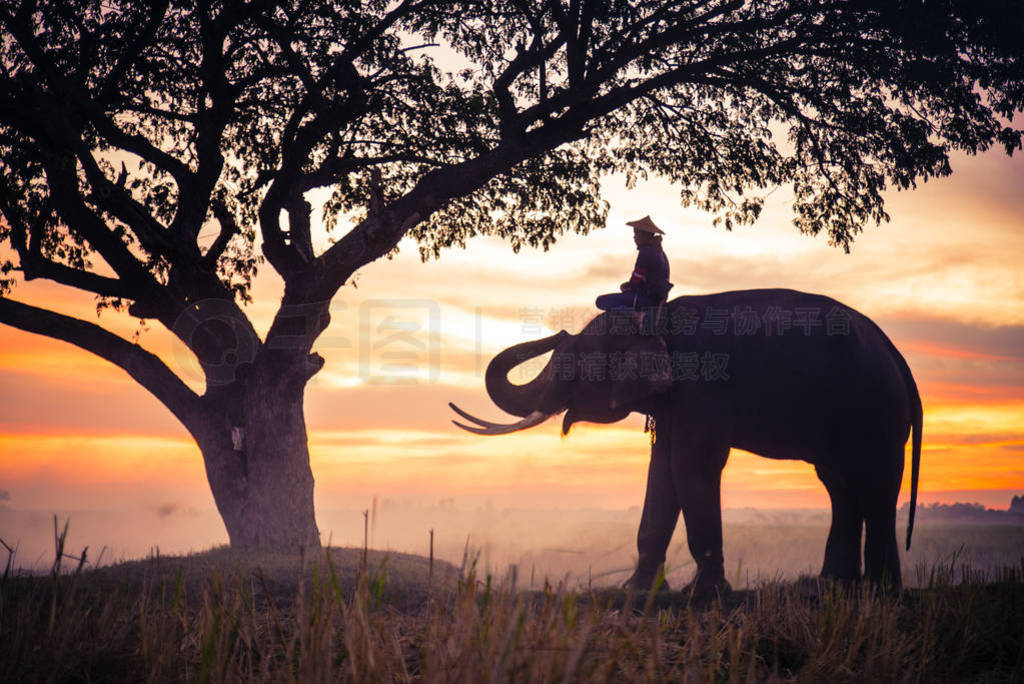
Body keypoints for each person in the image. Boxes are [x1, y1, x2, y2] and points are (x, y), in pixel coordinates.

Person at [595, 216, 672, 312]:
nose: (634, 237)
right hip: (658, 298)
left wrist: (628, 287)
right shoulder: (659, 251)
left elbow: (637, 279)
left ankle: (633, 314)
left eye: (636, 234)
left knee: (601, 301)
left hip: (646, 298)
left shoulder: (646, 251)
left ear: (644, 235)